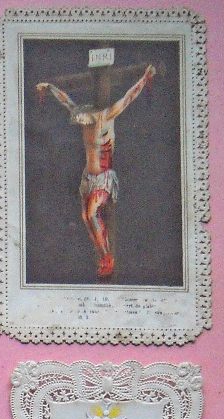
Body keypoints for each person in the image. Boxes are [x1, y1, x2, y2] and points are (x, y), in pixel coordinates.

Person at [35, 64, 156, 278]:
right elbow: (66, 101)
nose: (78, 121)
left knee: (92, 214)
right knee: (85, 216)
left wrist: (145, 78)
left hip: (103, 177)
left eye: (79, 119)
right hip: (88, 178)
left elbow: (127, 98)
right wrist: (50, 87)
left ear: (88, 115)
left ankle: (107, 257)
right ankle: (102, 255)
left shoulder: (106, 117)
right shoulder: (83, 118)